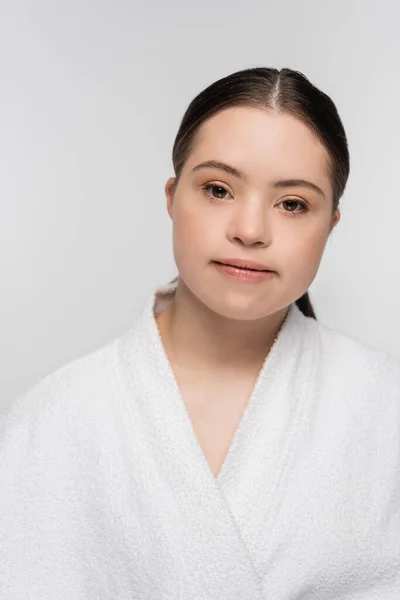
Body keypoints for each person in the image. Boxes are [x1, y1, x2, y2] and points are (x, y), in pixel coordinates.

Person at [1, 67, 399, 599]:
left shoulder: (384, 406)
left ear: (331, 223)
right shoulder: (51, 422)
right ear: (171, 197)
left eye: (293, 204)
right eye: (217, 189)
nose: (250, 230)